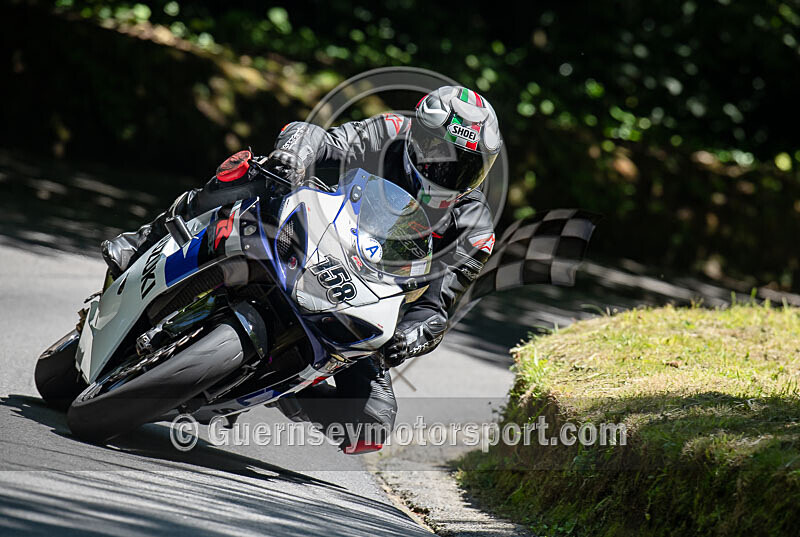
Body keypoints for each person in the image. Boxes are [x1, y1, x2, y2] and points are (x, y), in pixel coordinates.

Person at [101, 85, 502, 453]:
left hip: (359, 297)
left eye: (467, 167)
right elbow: (320, 139)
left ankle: (288, 391)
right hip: (310, 235)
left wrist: (413, 336)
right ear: (418, 137)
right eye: (440, 156)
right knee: (252, 172)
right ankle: (143, 241)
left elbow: (436, 308)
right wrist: (294, 155)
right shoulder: (390, 132)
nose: (448, 173)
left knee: (370, 425)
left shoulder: (475, 229)